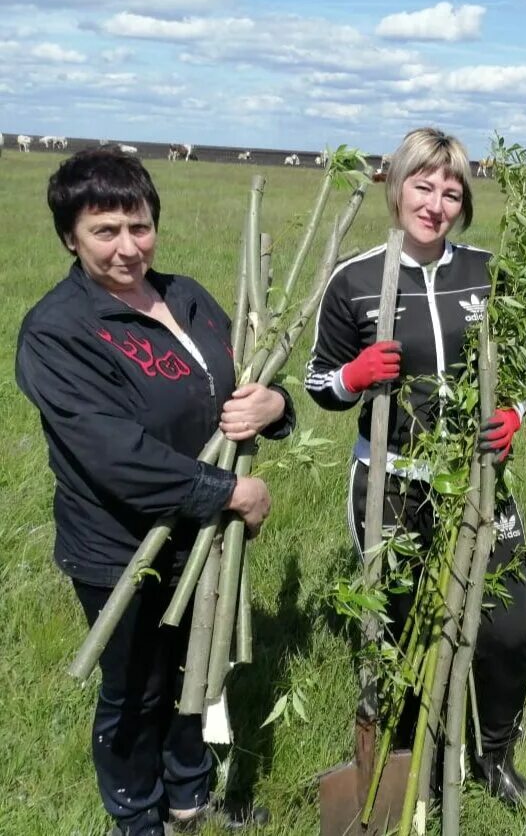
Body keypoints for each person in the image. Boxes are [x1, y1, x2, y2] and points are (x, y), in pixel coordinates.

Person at [15, 148, 292, 836]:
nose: (127, 246)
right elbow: (115, 455)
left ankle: (189, 800)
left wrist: (276, 406)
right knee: (135, 691)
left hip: (201, 539)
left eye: (138, 226)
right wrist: (230, 491)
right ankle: (136, 818)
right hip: (121, 546)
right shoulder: (59, 331)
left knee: (195, 673)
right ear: (69, 239)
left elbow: (244, 387)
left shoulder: (190, 297)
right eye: (104, 231)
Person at [304, 128, 526, 807]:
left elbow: (522, 363)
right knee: (402, 630)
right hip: (391, 482)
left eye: (451, 190)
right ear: (395, 185)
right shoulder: (354, 280)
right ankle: (417, 770)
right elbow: (318, 384)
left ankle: (495, 759)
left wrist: (516, 412)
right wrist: (353, 375)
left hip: (477, 478)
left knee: (505, 627)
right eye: (423, 184)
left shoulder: (487, 272)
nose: (435, 202)